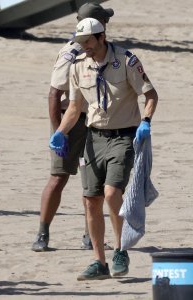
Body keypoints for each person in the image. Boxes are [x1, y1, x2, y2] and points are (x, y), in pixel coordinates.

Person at [49, 18, 158, 279]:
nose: (84, 46)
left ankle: (120, 249)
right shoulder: (78, 66)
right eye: (80, 42)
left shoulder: (127, 61)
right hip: (93, 138)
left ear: (101, 37)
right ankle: (99, 261)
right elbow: (75, 108)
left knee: (111, 193)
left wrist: (145, 121)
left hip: (124, 136)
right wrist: (59, 132)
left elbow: (151, 94)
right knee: (90, 200)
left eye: (88, 41)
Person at [31, 3, 114, 252]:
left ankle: (90, 236)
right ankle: (42, 234)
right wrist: (59, 132)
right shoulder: (72, 52)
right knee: (58, 177)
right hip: (71, 122)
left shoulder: (103, 51)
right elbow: (54, 95)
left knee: (93, 180)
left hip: (95, 120)